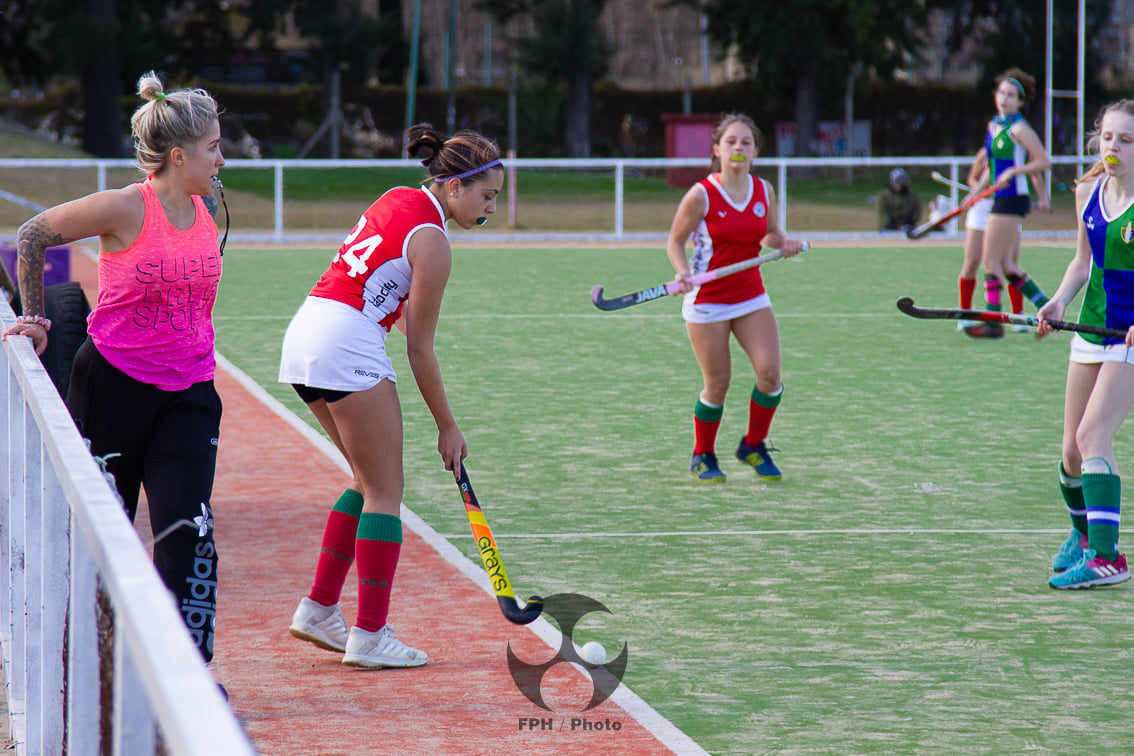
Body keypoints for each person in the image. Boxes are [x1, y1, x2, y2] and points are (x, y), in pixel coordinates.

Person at [1, 72, 227, 661]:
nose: (222, 159)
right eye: (213, 148)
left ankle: (186, 669)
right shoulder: (126, 206)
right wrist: (36, 317)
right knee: (102, 531)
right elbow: (32, 234)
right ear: (179, 157)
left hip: (190, 392)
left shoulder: (206, 209)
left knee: (189, 533)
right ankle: (93, 666)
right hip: (113, 388)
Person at [280, 123, 503, 667]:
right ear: (455, 185)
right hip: (346, 344)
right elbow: (420, 349)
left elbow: (381, 291)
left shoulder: (397, 197)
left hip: (306, 335)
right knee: (385, 491)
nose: (492, 209)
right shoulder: (435, 242)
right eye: (487, 196)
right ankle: (370, 635)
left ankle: (319, 609)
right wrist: (447, 426)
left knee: (365, 481)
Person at [665, 113, 806, 483]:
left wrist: (784, 242)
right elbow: (675, 241)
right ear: (717, 150)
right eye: (730, 142)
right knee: (718, 384)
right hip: (707, 300)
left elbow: (769, 233)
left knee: (770, 375)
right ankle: (702, 455)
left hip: (750, 295)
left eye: (746, 142)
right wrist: (683, 272)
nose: (738, 148)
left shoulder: (764, 190)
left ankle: (753, 446)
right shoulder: (701, 194)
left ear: (755, 151)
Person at [1037, 100, 1134, 589]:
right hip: (1091, 328)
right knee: (1071, 455)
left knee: (1093, 435)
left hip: (1128, 336)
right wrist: (1057, 301)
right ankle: (1082, 534)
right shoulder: (1088, 192)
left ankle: (1107, 557)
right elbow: (1082, 261)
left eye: (1126, 140)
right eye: (1108, 137)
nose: (1113, 147)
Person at [964, 67, 1051, 339]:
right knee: (1008, 266)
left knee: (990, 261)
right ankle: (1049, 310)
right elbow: (991, 168)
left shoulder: (1020, 129)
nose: (1004, 99)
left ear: (1021, 101)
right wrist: (975, 193)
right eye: (1001, 93)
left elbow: (1043, 161)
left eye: (1011, 95)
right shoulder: (995, 126)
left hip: (1013, 199)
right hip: (1000, 198)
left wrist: (1014, 171)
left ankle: (993, 323)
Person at [955, 148, 1039, 334]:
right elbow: (973, 178)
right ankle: (965, 314)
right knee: (972, 262)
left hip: (1007, 209)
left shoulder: (1019, 151)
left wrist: (1042, 198)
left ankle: (1018, 316)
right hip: (983, 209)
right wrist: (982, 191)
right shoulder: (985, 152)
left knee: (1010, 264)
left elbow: (1034, 174)